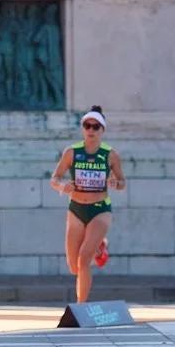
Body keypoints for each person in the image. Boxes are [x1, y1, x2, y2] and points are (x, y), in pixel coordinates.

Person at [49, 106, 126, 303]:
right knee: (73, 266)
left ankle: (80, 306)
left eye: (96, 126)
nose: (91, 130)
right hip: (76, 208)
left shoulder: (110, 155)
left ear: (102, 130)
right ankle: (100, 245)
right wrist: (62, 186)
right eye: (87, 125)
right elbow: (54, 178)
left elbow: (122, 182)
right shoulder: (72, 152)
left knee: (84, 259)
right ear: (83, 128)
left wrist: (115, 184)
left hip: (99, 210)